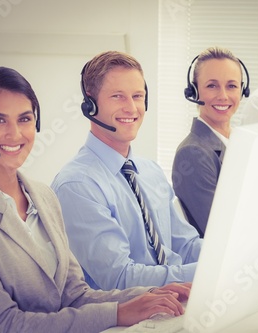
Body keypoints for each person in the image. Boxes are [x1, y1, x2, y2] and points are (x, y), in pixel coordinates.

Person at [0, 66, 190, 332]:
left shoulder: (43, 197)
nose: (15, 134)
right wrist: (118, 313)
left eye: (24, 119)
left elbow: (76, 296)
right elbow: (4, 324)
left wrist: (152, 293)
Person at [51, 51, 203, 291]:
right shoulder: (77, 185)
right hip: (125, 322)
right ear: (90, 104)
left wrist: (229, 257)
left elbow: (185, 245)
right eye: (117, 96)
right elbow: (120, 279)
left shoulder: (150, 171)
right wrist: (206, 273)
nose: (131, 108)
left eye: (137, 96)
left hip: (176, 305)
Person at [172, 46, 250, 237]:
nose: (223, 95)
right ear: (194, 91)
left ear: (243, 90)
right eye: (212, 85)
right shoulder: (193, 153)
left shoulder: (241, 143)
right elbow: (220, 234)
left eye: (232, 86)